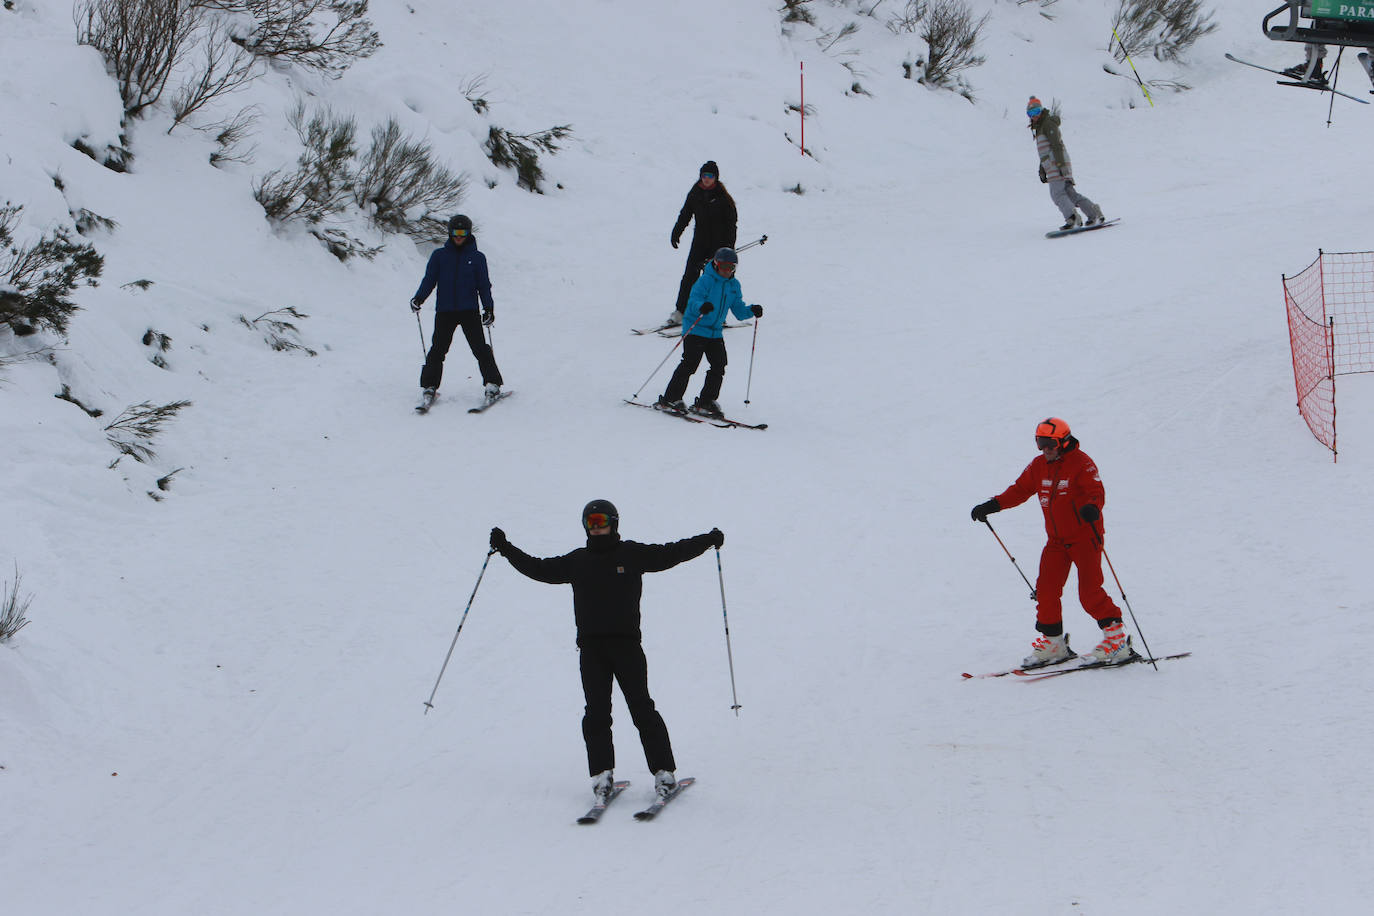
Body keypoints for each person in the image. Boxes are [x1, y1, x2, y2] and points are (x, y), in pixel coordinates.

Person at [488, 501, 724, 804]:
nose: (595, 527)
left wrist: (707, 541)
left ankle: (664, 774)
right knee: (596, 715)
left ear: (613, 522)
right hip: (592, 650)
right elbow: (538, 568)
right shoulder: (578, 561)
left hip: (626, 647)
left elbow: (671, 552)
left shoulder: (632, 554)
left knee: (642, 710)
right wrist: (506, 548)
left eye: (600, 520)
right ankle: (602, 778)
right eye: (590, 522)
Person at [969, 418, 1135, 667]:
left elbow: (1095, 492)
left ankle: (1117, 641)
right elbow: (1020, 490)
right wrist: (992, 505)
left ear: (1064, 442)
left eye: (1050, 444)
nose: (1044, 449)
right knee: (1045, 590)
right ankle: (1054, 642)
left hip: (1084, 537)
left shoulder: (1082, 463)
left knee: (1089, 592)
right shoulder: (1039, 466)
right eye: (1040, 443)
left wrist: (1092, 507)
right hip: (1056, 541)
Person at [656, 247, 762, 419]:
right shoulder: (705, 281)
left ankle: (705, 401)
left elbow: (739, 311)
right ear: (716, 264)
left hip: (715, 333)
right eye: (723, 266)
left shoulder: (734, 286)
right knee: (690, 364)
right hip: (696, 328)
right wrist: (702, 307)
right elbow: (693, 302)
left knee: (719, 365)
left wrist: (752, 310)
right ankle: (670, 399)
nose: (727, 271)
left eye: (731, 267)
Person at [410, 214, 503, 404]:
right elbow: (429, 280)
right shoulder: (439, 256)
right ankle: (429, 386)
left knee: (480, 348)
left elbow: (484, 286)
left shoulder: (477, 258)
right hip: (445, 311)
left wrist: (489, 309)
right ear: (450, 233)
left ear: (468, 234)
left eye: (463, 233)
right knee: (437, 349)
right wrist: (419, 298)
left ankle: (492, 384)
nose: (459, 236)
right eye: (455, 232)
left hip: (469, 311)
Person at [666, 161, 738, 328]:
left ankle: (719, 313)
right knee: (690, 276)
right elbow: (685, 214)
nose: (706, 179)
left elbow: (731, 224)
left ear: (716, 178)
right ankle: (680, 312)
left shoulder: (723, 197)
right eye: (704, 175)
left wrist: (729, 248)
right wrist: (676, 232)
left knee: (717, 279)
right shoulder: (696, 192)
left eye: (710, 176)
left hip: (719, 245)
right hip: (699, 241)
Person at [1025, 97, 1105, 232]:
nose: (1035, 116)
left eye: (1037, 111)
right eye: (1031, 114)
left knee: (1057, 194)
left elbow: (1056, 146)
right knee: (1069, 194)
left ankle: (1072, 218)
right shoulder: (1039, 127)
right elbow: (1044, 151)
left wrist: (1061, 166)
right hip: (1053, 164)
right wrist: (1042, 169)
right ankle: (1094, 213)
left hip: (1057, 163)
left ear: (1042, 110)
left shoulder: (1048, 124)